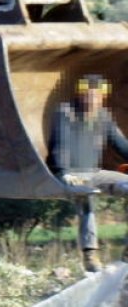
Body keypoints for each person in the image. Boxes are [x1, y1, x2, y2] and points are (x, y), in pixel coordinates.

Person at [46, 73, 128, 272]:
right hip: (72, 174)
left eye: (97, 95)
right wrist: (64, 172)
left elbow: (121, 145)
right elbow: (59, 145)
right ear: (80, 95)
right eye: (88, 95)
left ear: (102, 97)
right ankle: (90, 255)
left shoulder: (103, 116)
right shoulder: (65, 112)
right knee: (86, 198)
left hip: (95, 172)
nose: (92, 99)